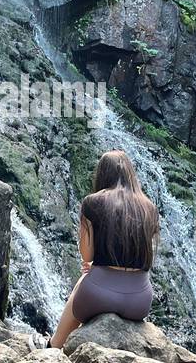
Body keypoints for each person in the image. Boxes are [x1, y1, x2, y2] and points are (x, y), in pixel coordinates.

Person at [48, 149, 159, 349]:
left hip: (98, 296)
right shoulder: (149, 207)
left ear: (102, 174)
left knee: (84, 280)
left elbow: (87, 255)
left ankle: (53, 346)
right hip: (139, 301)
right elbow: (143, 255)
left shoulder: (93, 202)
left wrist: (98, 268)